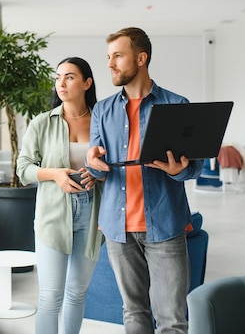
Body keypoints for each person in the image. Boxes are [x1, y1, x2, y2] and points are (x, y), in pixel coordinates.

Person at [85, 27, 204, 334]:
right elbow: (99, 171)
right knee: (133, 311)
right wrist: (92, 162)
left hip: (164, 225)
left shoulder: (177, 105)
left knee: (172, 320)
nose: (110, 64)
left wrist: (176, 169)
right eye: (108, 57)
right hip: (117, 229)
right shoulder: (102, 110)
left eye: (118, 56)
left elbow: (193, 169)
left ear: (141, 58)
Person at [17, 57, 104, 334]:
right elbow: (23, 169)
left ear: (87, 83)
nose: (61, 83)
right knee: (50, 297)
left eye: (69, 77)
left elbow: (113, 165)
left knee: (77, 293)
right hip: (53, 213)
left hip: (92, 213)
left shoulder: (103, 121)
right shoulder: (42, 123)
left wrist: (98, 174)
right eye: (58, 77)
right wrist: (55, 174)